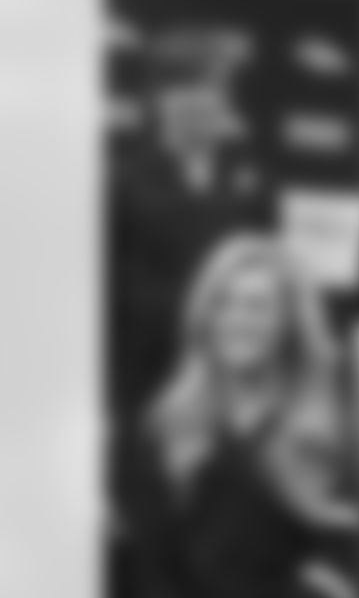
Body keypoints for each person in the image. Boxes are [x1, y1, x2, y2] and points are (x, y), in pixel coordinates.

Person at [111, 234, 356, 598]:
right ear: (205, 318)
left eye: (257, 306)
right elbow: (150, 570)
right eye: (223, 303)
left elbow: (346, 562)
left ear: (289, 323)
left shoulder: (327, 433)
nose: (238, 319)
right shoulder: (164, 428)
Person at [109, 27, 274, 426]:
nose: (201, 101)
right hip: (148, 376)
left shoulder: (251, 179)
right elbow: (106, 290)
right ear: (160, 100)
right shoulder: (125, 182)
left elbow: (270, 273)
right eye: (186, 89)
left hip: (232, 374)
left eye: (213, 89)